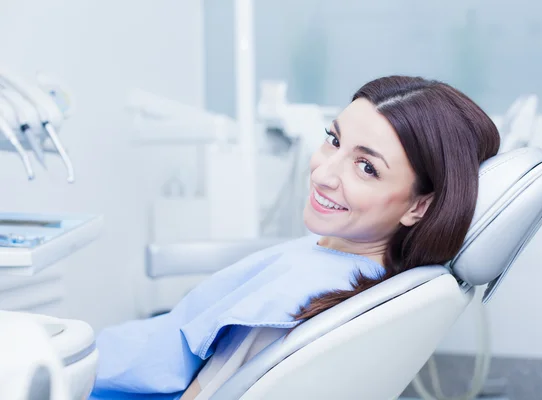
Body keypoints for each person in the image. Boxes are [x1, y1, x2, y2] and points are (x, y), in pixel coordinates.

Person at [90, 75, 500, 400]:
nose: (322, 173)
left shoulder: (294, 302)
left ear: (420, 206)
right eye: (334, 140)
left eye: (366, 168)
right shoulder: (347, 263)